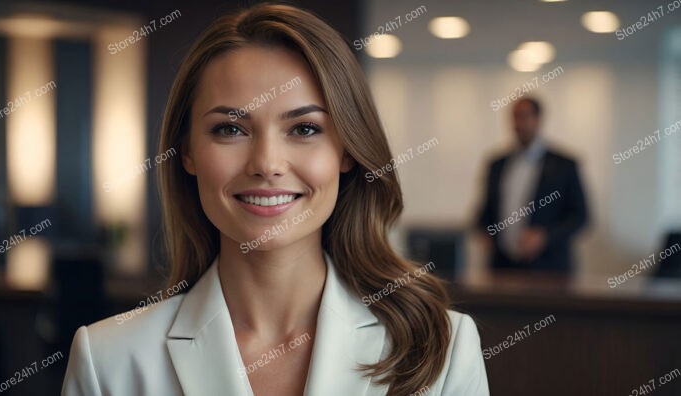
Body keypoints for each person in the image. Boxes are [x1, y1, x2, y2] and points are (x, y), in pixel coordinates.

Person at [62, 4, 489, 396]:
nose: (267, 163)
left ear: (347, 151)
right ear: (186, 152)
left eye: (304, 129)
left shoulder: (442, 351)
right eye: (230, 129)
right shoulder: (108, 361)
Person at [478, 97, 588, 272]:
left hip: (548, 268)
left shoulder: (564, 165)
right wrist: (484, 231)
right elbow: (485, 211)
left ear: (538, 119)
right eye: (515, 117)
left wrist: (545, 236)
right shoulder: (497, 164)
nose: (519, 123)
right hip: (502, 266)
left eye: (524, 116)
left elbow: (581, 216)